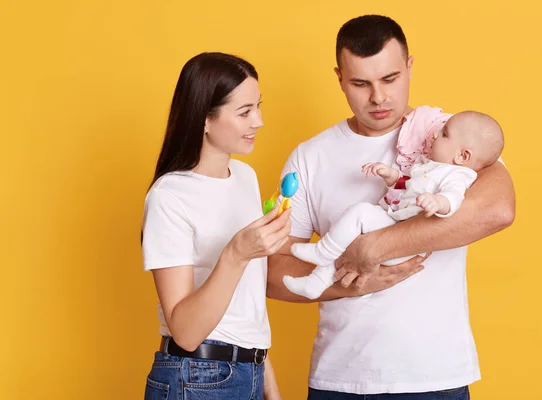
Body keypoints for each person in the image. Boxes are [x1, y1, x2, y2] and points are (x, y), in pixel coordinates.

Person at [267, 15, 515, 399]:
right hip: (339, 378)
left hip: (435, 378)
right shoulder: (309, 157)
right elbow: (273, 273)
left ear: (410, 67)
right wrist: (350, 283)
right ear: (339, 78)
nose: (378, 97)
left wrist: (376, 247)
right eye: (360, 83)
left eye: (390, 78)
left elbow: (498, 209)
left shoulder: (453, 136)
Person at [141, 52, 289, 400]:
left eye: (258, 106)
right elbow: (186, 332)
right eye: (244, 112)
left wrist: (268, 384)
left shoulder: (244, 177)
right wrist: (236, 253)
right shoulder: (169, 197)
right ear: (204, 119)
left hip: (247, 371)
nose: (259, 121)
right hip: (196, 376)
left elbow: (245, 307)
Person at [283, 110, 504, 300]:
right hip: (393, 221)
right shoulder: (431, 165)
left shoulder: (457, 175)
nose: (436, 133)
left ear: (463, 156)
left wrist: (438, 202)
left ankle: (324, 251)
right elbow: (409, 185)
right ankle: (315, 283)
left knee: (360, 213)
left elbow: (454, 199)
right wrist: (391, 176)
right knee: (351, 245)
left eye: (444, 134)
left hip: (405, 240)